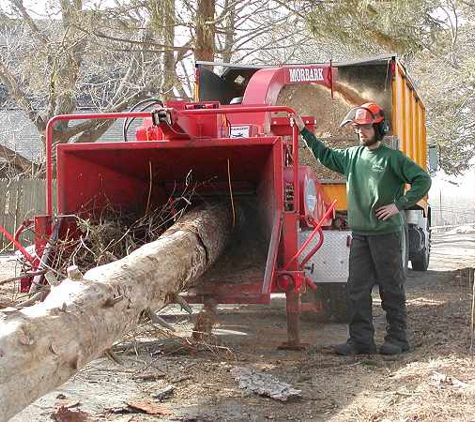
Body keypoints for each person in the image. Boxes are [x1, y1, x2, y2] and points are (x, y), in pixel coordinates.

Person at [293, 102, 432, 356]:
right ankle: (361, 341)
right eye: (357, 128)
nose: (360, 132)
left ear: (379, 128)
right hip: (361, 235)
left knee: (391, 288)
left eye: (366, 127)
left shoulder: (393, 158)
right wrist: (304, 131)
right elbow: (325, 154)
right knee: (356, 289)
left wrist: (398, 205)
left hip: (386, 235)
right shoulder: (352, 157)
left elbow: (423, 180)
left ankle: (398, 339)